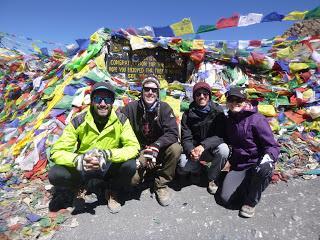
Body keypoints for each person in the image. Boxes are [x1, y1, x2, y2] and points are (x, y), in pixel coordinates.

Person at [48, 82, 140, 214]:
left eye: (107, 99)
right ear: (91, 101)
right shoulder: (79, 121)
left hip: (107, 166)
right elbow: (56, 151)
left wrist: (107, 155)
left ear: (112, 102)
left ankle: (112, 190)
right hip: (84, 167)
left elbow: (134, 147)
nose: (102, 103)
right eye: (98, 99)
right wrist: (79, 160)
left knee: (130, 165)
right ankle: (79, 188)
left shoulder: (121, 120)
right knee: (56, 174)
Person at [219, 87, 280, 218]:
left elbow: (272, 146)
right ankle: (249, 184)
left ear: (245, 101)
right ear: (227, 102)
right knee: (226, 199)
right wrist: (229, 161)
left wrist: (268, 159)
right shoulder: (229, 119)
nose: (234, 102)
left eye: (238, 100)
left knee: (263, 169)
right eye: (231, 99)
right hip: (240, 165)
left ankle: (251, 201)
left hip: (256, 164)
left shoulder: (257, 119)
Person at [121, 76, 182, 206]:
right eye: (147, 89)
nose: (150, 93)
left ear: (158, 93)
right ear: (141, 91)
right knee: (133, 181)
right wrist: (142, 155)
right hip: (139, 151)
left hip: (158, 149)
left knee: (176, 148)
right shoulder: (130, 108)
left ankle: (160, 184)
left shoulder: (165, 108)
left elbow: (173, 133)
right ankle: (146, 172)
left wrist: (156, 146)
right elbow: (120, 132)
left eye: (154, 90)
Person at [179, 82, 230, 194]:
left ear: (209, 96)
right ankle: (197, 170)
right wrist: (191, 150)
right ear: (194, 97)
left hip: (211, 149)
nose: (202, 96)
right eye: (198, 94)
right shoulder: (187, 115)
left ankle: (212, 177)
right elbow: (186, 137)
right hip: (195, 150)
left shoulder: (218, 112)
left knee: (224, 150)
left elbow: (220, 136)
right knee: (182, 162)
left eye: (205, 94)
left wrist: (204, 145)